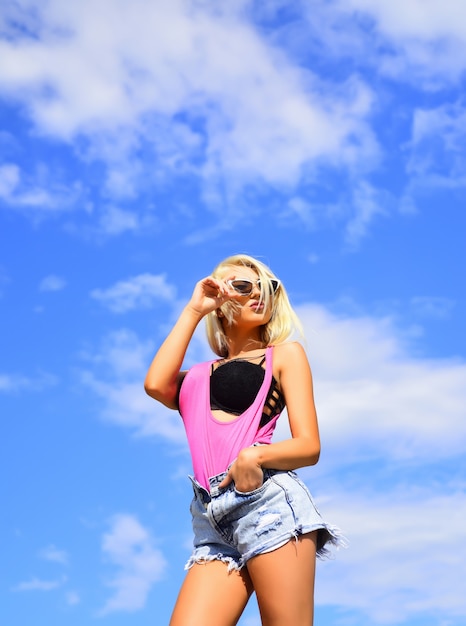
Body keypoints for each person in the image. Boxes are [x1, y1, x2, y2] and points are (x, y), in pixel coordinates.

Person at [144, 254, 343, 626]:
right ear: (220, 300)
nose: (259, 294)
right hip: (211, 521)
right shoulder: (196, 377)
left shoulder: (283, 356)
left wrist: (254, 456)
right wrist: (194, 309)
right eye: (242, 286)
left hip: (266, 504)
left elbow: (309, 446)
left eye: (269, 287)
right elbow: (155, 384)